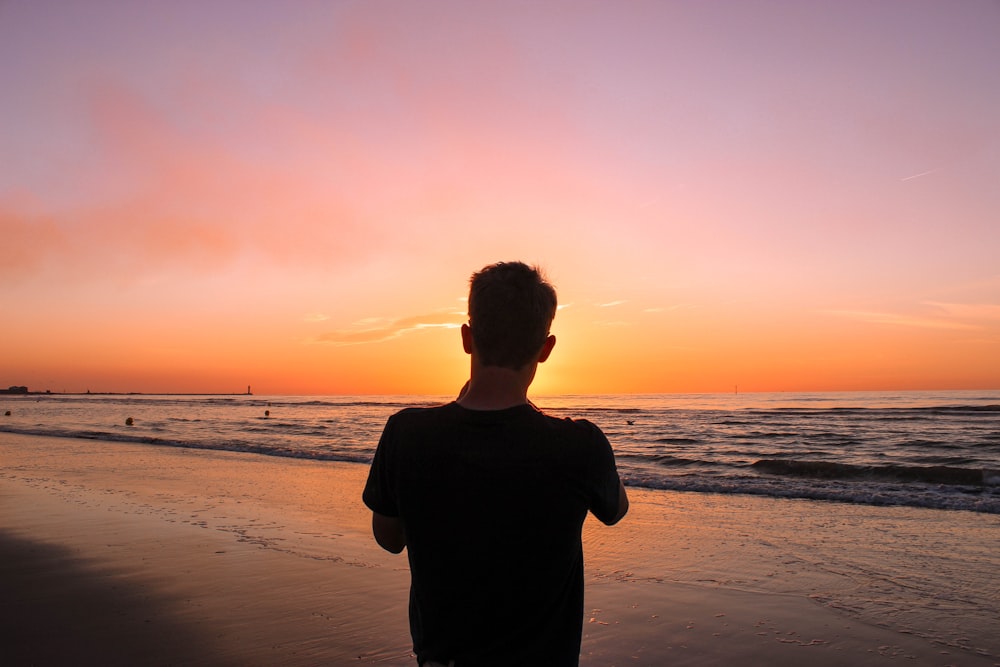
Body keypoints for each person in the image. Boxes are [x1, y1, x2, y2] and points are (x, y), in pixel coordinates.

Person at [363, 261, 629, 666]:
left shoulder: (408, 434)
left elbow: (389, 538)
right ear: (546, 348)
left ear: (468, 338)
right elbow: (616, 510)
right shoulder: (578, 445)